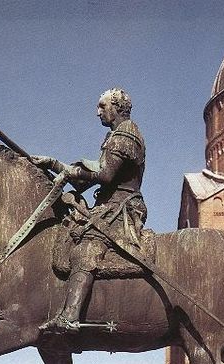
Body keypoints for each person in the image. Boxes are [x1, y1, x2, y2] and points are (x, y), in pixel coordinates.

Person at [31, 87, 146, 333]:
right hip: (108, 206)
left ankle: (70, 317)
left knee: (87, 248)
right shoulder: (115, 135)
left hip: (122, 209)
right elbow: (87, 178)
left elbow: (104, 175)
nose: (98, 113)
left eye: (102, 106)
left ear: (117, 107)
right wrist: (54, 164)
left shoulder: (125, 134)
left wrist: (71, 171)